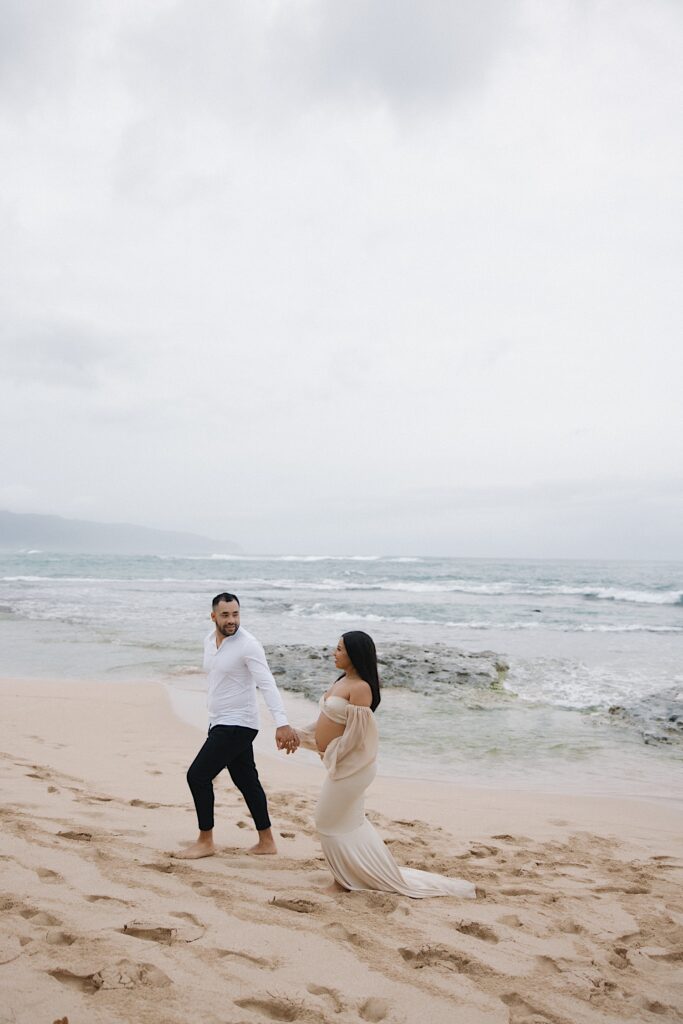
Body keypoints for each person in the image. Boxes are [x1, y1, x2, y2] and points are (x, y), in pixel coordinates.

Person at [293, 631, 476, 898]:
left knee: (327, 820)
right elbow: (325, 722)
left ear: (354, 654)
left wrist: (330, 754)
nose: (334, 653)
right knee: (349, 823)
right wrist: (301, 738)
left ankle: (342, 881)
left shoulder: (361, 688)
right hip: (340, 765)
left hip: (353, 767)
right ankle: (358, 874)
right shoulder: (343, 680)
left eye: (340, 649)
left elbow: (359, 737)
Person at [174, 592, 299, 859]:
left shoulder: (248, 644)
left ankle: (205, 841)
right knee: (246, 780)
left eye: (236, 614)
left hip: (238, 724)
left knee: (197, 776)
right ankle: (267, 842)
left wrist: (282, 723)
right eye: (225, 615)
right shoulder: (209, 641)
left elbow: (266, 683)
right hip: (219, 721)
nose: (232, 620)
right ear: (213, 616)